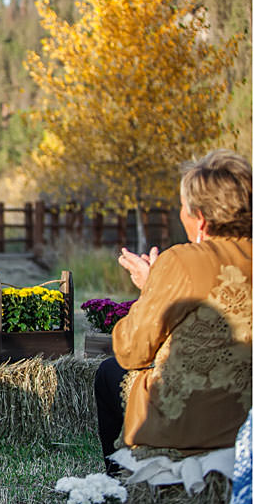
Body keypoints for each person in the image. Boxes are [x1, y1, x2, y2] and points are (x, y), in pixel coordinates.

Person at [94, 149, 252, 473]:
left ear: (200, 218)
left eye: (183, 206)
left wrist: (151, 287)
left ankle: (123, 486)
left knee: (109, 373)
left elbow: (131, 351)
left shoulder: (182, 260)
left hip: (197, 424)